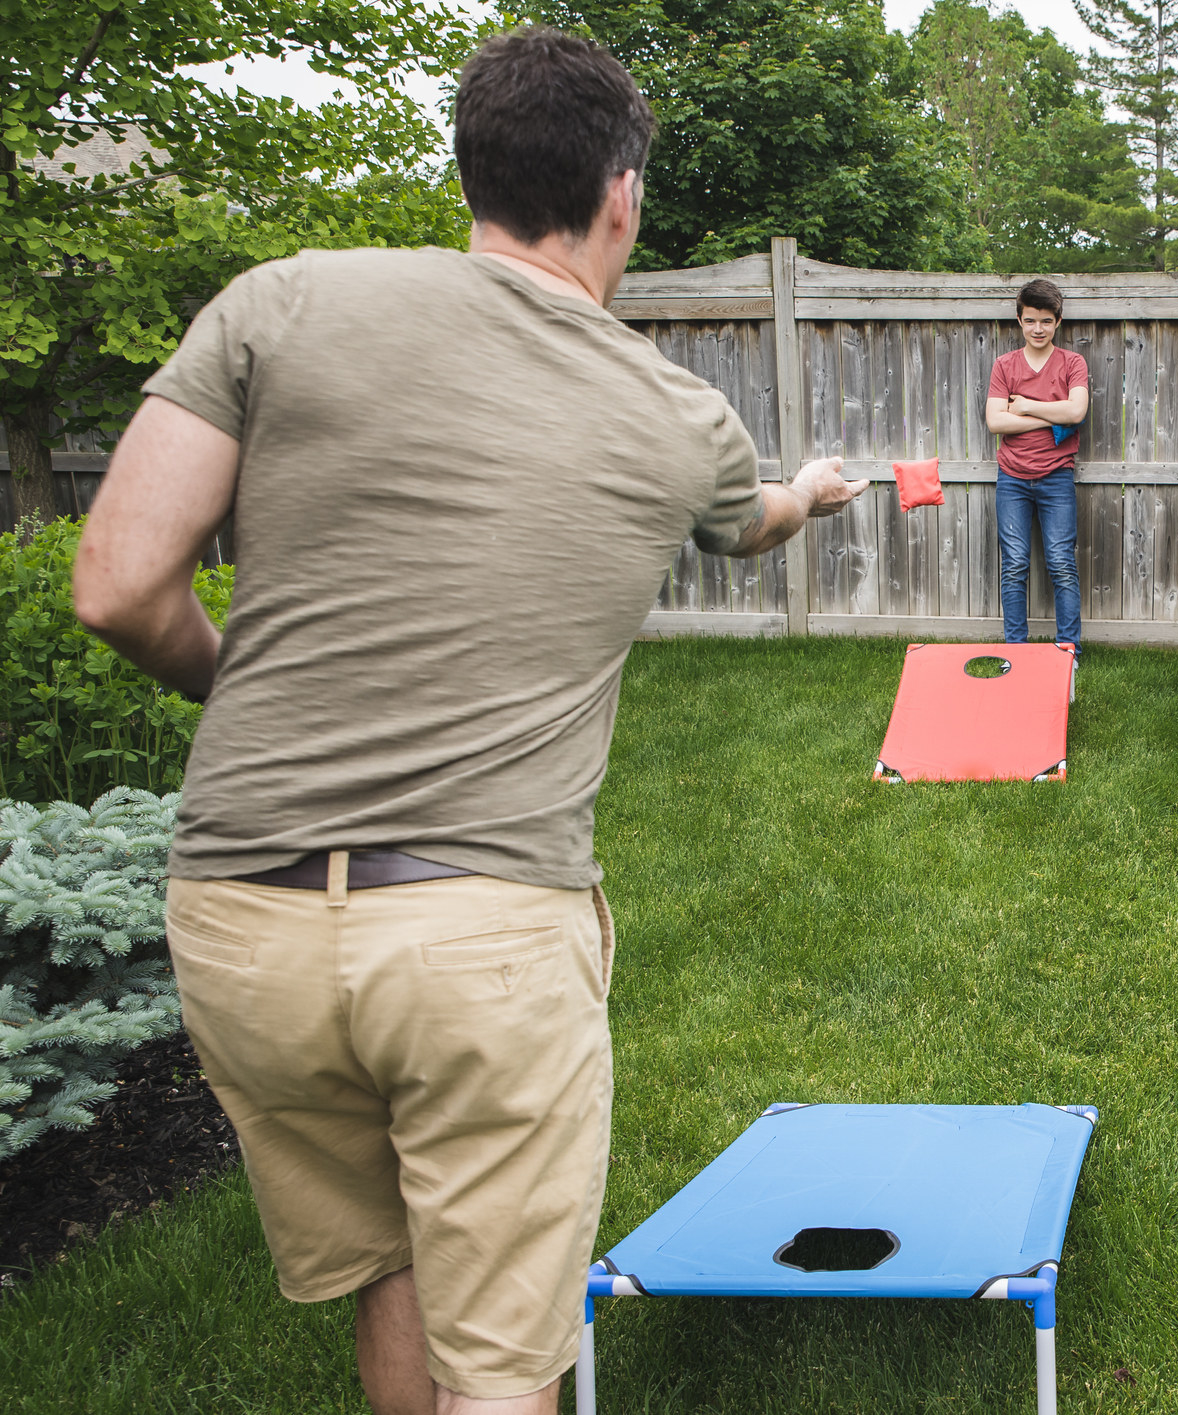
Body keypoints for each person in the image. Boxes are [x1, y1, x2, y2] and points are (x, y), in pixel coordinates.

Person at [69, 28, 865, 1415]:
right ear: (621, 191)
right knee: (501, 1361)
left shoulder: (280, 304)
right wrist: (812, 490)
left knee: (398, 1267)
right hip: (475, 943)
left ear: (473, 170)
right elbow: (753, 524)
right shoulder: (678, 419)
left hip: (242, 923)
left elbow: (122, 584)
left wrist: (234, 684)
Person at [984, 279, 1089, 655]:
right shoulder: (1005, 365)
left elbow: (1077, 410)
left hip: (1056, 477)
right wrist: (1053, 418)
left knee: (1061, 563)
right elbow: (996, 422)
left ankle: (1068, 652)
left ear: (1058, 321)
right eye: (1030, 321)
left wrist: (1026, 406)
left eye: (1046, 321)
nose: (1038, 329)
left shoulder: (1072, 363)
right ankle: (1016, 652)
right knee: (1014, 565)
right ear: (1019, 320)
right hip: (1011, 478)